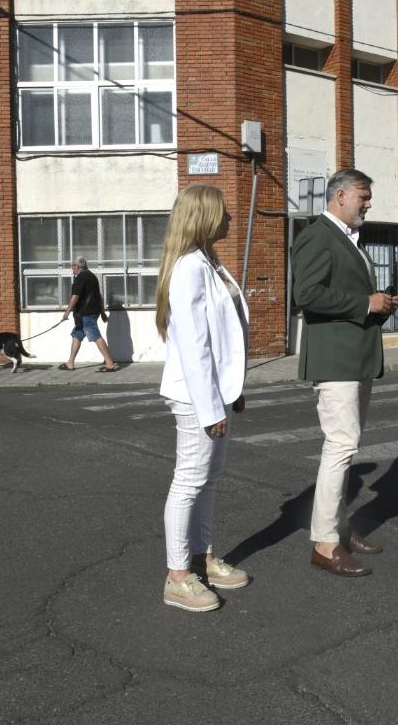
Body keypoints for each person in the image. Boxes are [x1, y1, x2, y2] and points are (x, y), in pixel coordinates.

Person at [292, 168, 398, 577]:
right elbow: (306, 294)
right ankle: (324, 542)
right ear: (339, 197)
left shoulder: (349, 240)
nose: (368, 203)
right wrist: (363, 304)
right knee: (340, 445)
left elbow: (347, 293)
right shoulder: (317, 236)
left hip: (355, 358)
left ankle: (339, 528)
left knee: (346, 447)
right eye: (363, 196)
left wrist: (380, 303)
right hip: (335, 360)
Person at [157, 184, 250, 612]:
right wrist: (212, 407)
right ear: (205, 216)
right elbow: (195, 347)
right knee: (189, 481)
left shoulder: (208, 263)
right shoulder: (188, 269)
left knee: (209, 479)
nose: (230, 218)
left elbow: (224, 339)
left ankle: (203, 558)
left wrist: (234, 391)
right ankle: (178, 576)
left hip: (215, 392)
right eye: (224, 212)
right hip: (195, 396)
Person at [61, 256, 119, 372]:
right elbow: (99, 296)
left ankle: (110, 364)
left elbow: (75, 296)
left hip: (85, 313)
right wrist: (102, 313)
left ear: (77, 267)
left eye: (72, 266)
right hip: (90, 312)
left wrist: (67, 312)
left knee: (95, 336)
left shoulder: (81, 278)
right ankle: (70, 363)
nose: (72, 268)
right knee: (77, 335)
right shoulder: (92, 277)